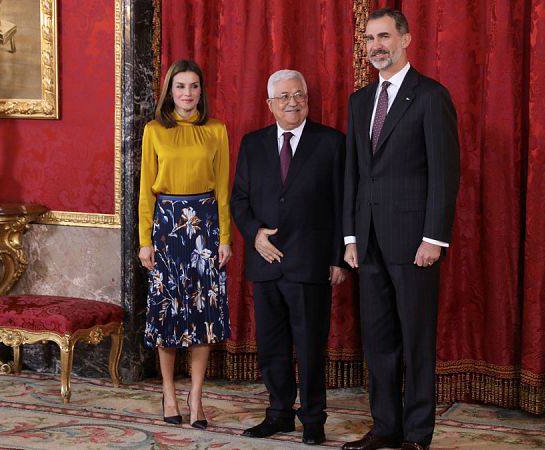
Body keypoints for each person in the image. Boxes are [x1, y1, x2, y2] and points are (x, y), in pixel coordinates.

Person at [342, 8, 460, 450]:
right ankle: (385, 428)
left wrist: (434, 237)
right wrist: (350, 237)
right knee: (378, 343)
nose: (376, 46)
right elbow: (353, 174)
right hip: (368, 243)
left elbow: (444, 173)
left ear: (406, 39)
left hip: (415, 245)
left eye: (384, 36)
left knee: (416, 342)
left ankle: (416, 435)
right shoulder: (359, 102)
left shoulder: (430, 96)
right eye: (370, 38)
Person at [231, 69, 347, 446]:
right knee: (271, 346)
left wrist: (339, 258)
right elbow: (239, 200)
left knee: (310, 347)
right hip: (265, 262)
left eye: (298, 95)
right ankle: (279, 413)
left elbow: (343, 203)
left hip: (311, 264)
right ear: (270, 104)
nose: (292, 102)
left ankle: (313, 418)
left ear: (307, 99)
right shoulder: (252, 144)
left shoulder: (332, 143)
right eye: (284, 96)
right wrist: (255, 235)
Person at [138, 59, 232, 431]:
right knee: (168, 312)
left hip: (205, 228)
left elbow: (223, 188)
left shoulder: (217, 130)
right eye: (180, 86)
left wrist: (225, 238)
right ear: (170, 91)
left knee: (202, 312)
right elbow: (145, 191)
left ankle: (196, 396)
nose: (187, 93)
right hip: (166, 227)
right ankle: (168, 392)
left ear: (201, 91)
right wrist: (144, 240)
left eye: (194, 86)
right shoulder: (154, 131)